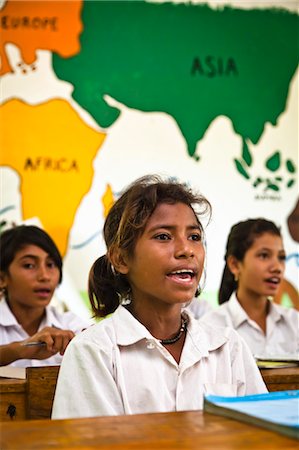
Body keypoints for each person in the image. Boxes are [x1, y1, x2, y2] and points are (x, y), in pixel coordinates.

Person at [52, 175, 266, 419]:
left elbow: (261, 436)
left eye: (194, 237)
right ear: (121, 259)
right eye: (163, 236)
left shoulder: (227, 347)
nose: (186, 250)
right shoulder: (95, 351)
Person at [200, 218, 299, 357]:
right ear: (235, 264)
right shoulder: (211, 327)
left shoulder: (295, 323)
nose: (277, 267)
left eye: (281, 257)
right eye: (264, 255)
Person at [0, 225, 91, 367]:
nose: (45, 276)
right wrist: (19, 350)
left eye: (50, 264)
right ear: (2, 278)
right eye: (29, 265)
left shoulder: (71, 326)